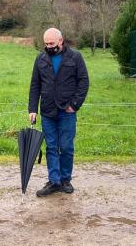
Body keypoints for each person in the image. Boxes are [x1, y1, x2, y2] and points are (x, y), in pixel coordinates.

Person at [28, 28, 89, 197]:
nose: (48, 47)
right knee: (52, 147)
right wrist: (33, 109)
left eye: (52, 44)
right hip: (47, 111)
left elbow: (83, 81)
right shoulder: (40, 59)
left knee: (67, 147)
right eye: (46, 44)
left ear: (61, 41)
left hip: (67, 111)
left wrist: (74, 105)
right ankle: (53, 181)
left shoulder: (75, 57)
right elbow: (35, 85)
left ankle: (65, 180)